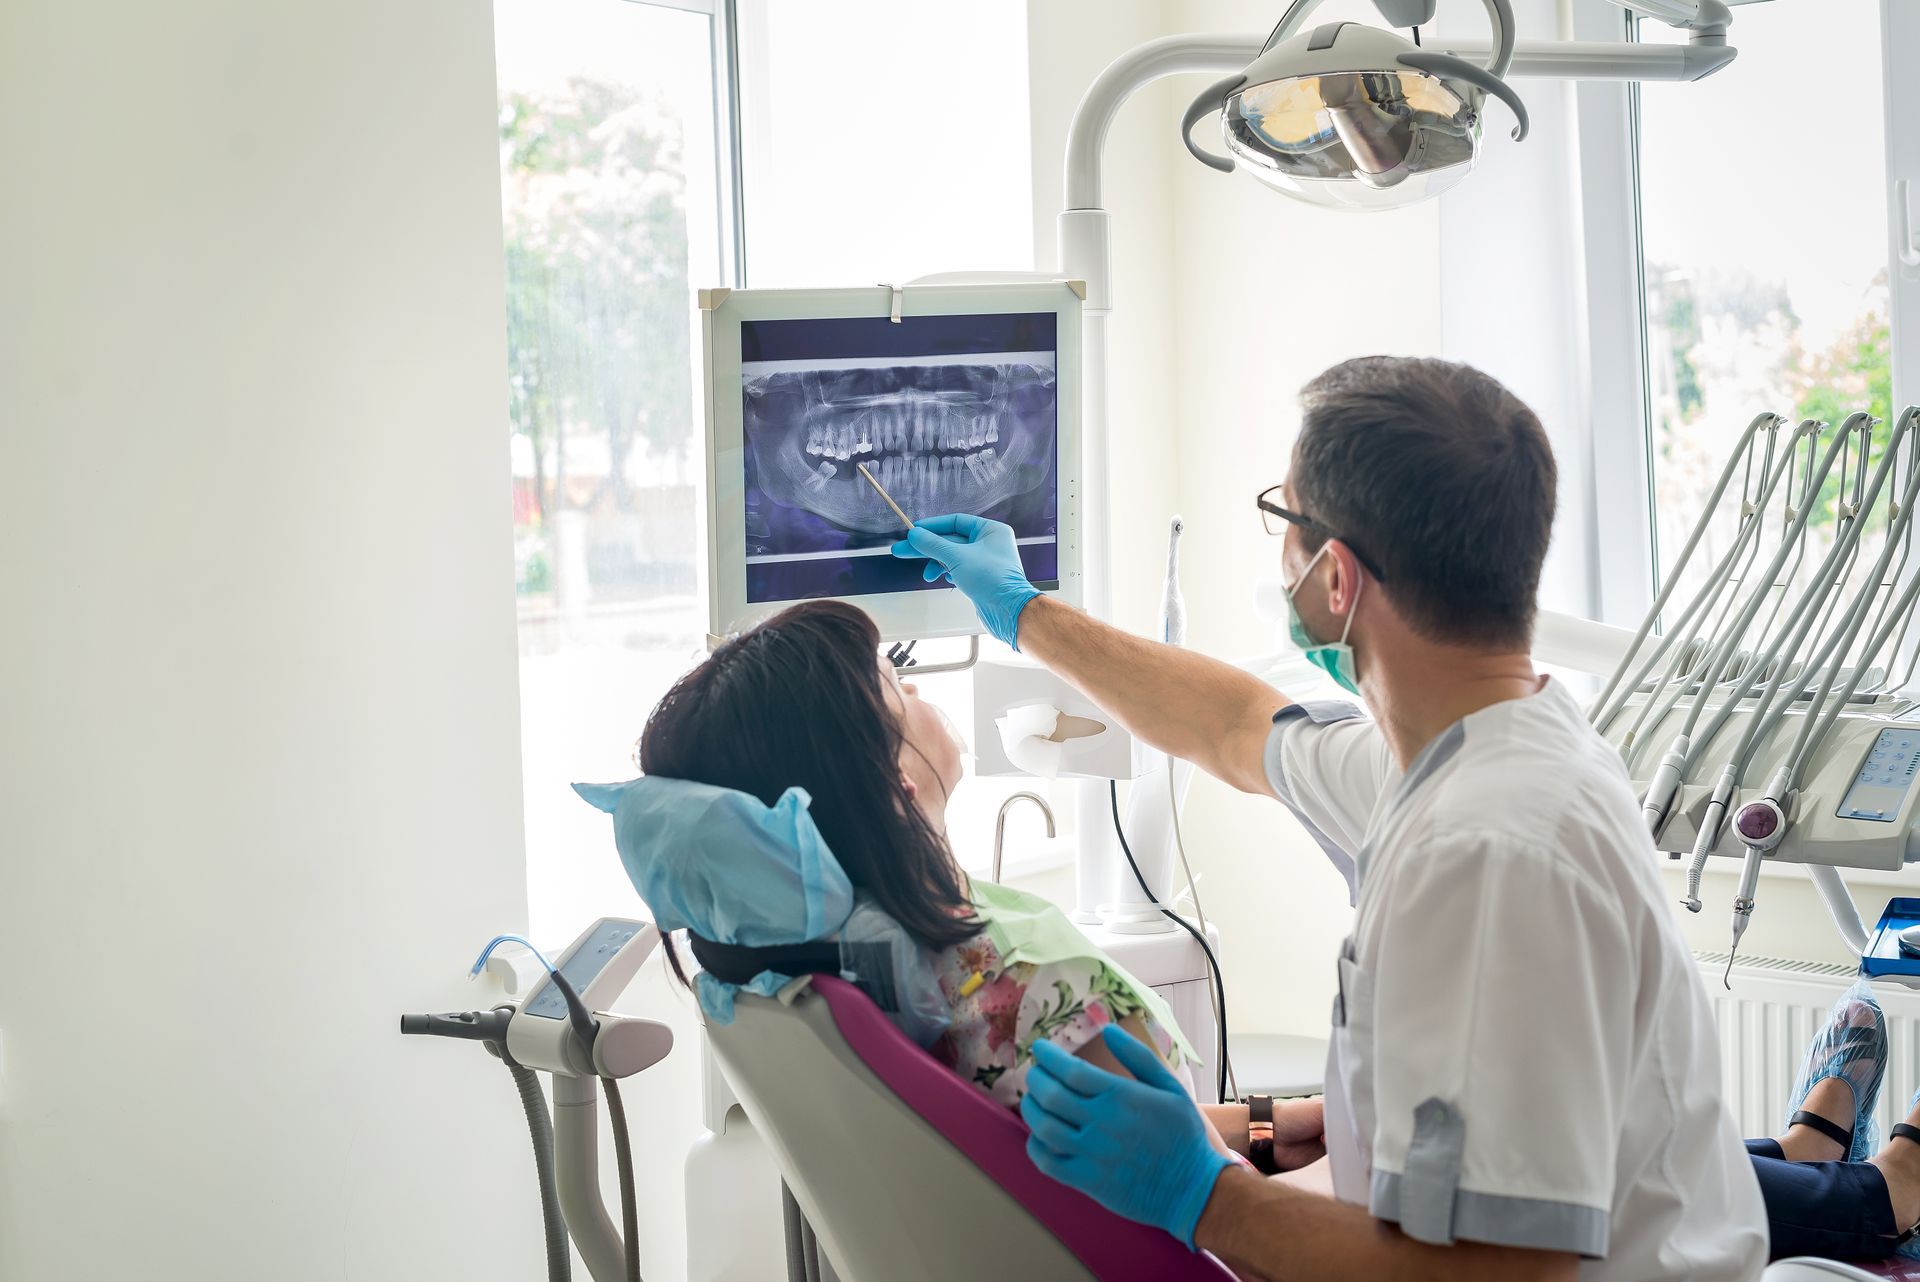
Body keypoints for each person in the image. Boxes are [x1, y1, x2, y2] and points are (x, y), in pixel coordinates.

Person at [890, 355, 1769, 1281]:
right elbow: (1230, 724)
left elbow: (1506, 1273)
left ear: (1337, 579)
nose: (1280, 550)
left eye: (1285, 518)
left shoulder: (1489, 849)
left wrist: (1205, 1195)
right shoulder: (1472, 750)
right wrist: (1024, 613)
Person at [617, 597, 1325, 1171]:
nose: (918, 688)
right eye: (896, 687)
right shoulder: (1035, 991)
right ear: (896, 783)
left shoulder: (848, 977)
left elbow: (1083, 1132)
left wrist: (1268, 1127)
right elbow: (1214, 1212)